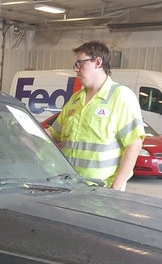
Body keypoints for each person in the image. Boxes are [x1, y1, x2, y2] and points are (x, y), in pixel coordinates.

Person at [48, 40, 144, 190]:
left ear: (98, 62)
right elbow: (53, 134)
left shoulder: (121, 97)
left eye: (80, 63)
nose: (76, 69)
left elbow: (134, 144)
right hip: (68, 186)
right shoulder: (75, 99)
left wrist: (117, 185)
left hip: (100, 190)